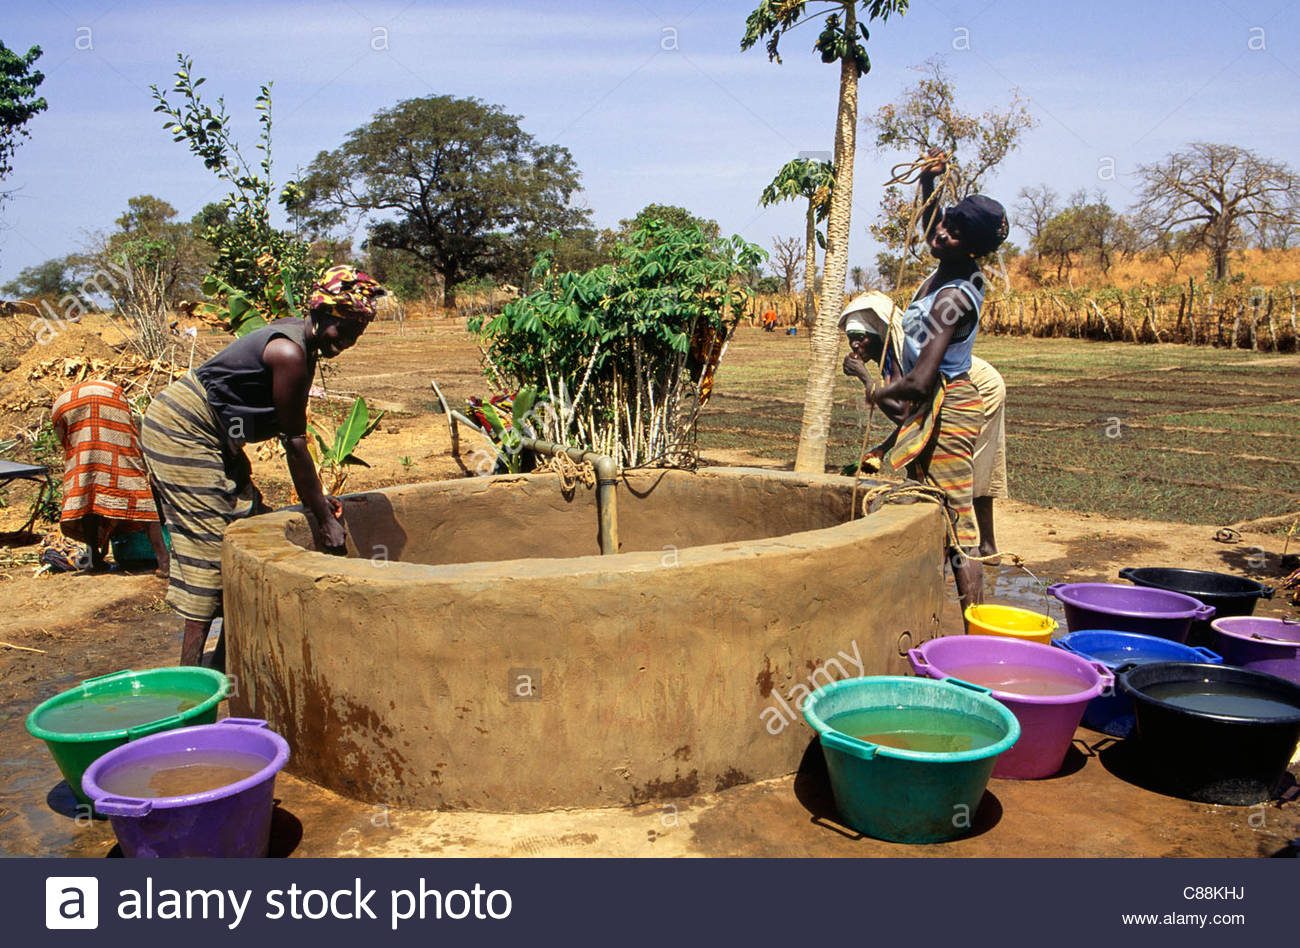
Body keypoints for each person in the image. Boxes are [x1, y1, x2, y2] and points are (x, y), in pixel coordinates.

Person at [141, 265, 388, 668]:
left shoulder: (303, 344)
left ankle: (226, 661)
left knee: (247, 523)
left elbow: (292, 435)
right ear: (322, 314)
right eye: (342, 329)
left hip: (216, 434)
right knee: (213, 544)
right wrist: (323, 518)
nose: (346, 341)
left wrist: (318, 500)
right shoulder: (289, 352)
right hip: (181, 429)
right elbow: (294, 442)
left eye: (356, 334)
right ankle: (192, 676)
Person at [841, 150, 1008, 613]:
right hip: (939, 400)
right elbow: (933, 225)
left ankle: (973, 627)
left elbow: (918, 382)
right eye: (944, 222)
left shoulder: (952, 296)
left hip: (949, 405)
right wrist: (930, 184)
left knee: (959, 525)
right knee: (932, 503)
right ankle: (942, 611)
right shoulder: (950, 264)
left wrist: (873, 388)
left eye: (953, 232)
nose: (939, 231)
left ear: (970, 247)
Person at [839, 291, 1008, 560]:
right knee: (960, 465)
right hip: (950, 394)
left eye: (860, 339)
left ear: (877, 334)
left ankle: (970, 549)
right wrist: (883, 449)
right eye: (851, 341)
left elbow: (906, 413)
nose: (855, 348)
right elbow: (917, 415)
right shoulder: (889, 359)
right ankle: (978, 546)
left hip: (979, 387)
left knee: (961, 466)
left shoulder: (905, 352)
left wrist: (866, 380)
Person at [51, 380, 170, 575]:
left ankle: (94, 561)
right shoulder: (142, 429)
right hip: (109, 397)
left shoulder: (66, 399)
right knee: (139, 492)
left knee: (88, 493)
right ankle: (164, 562)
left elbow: (64, 440)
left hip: (64, 405)